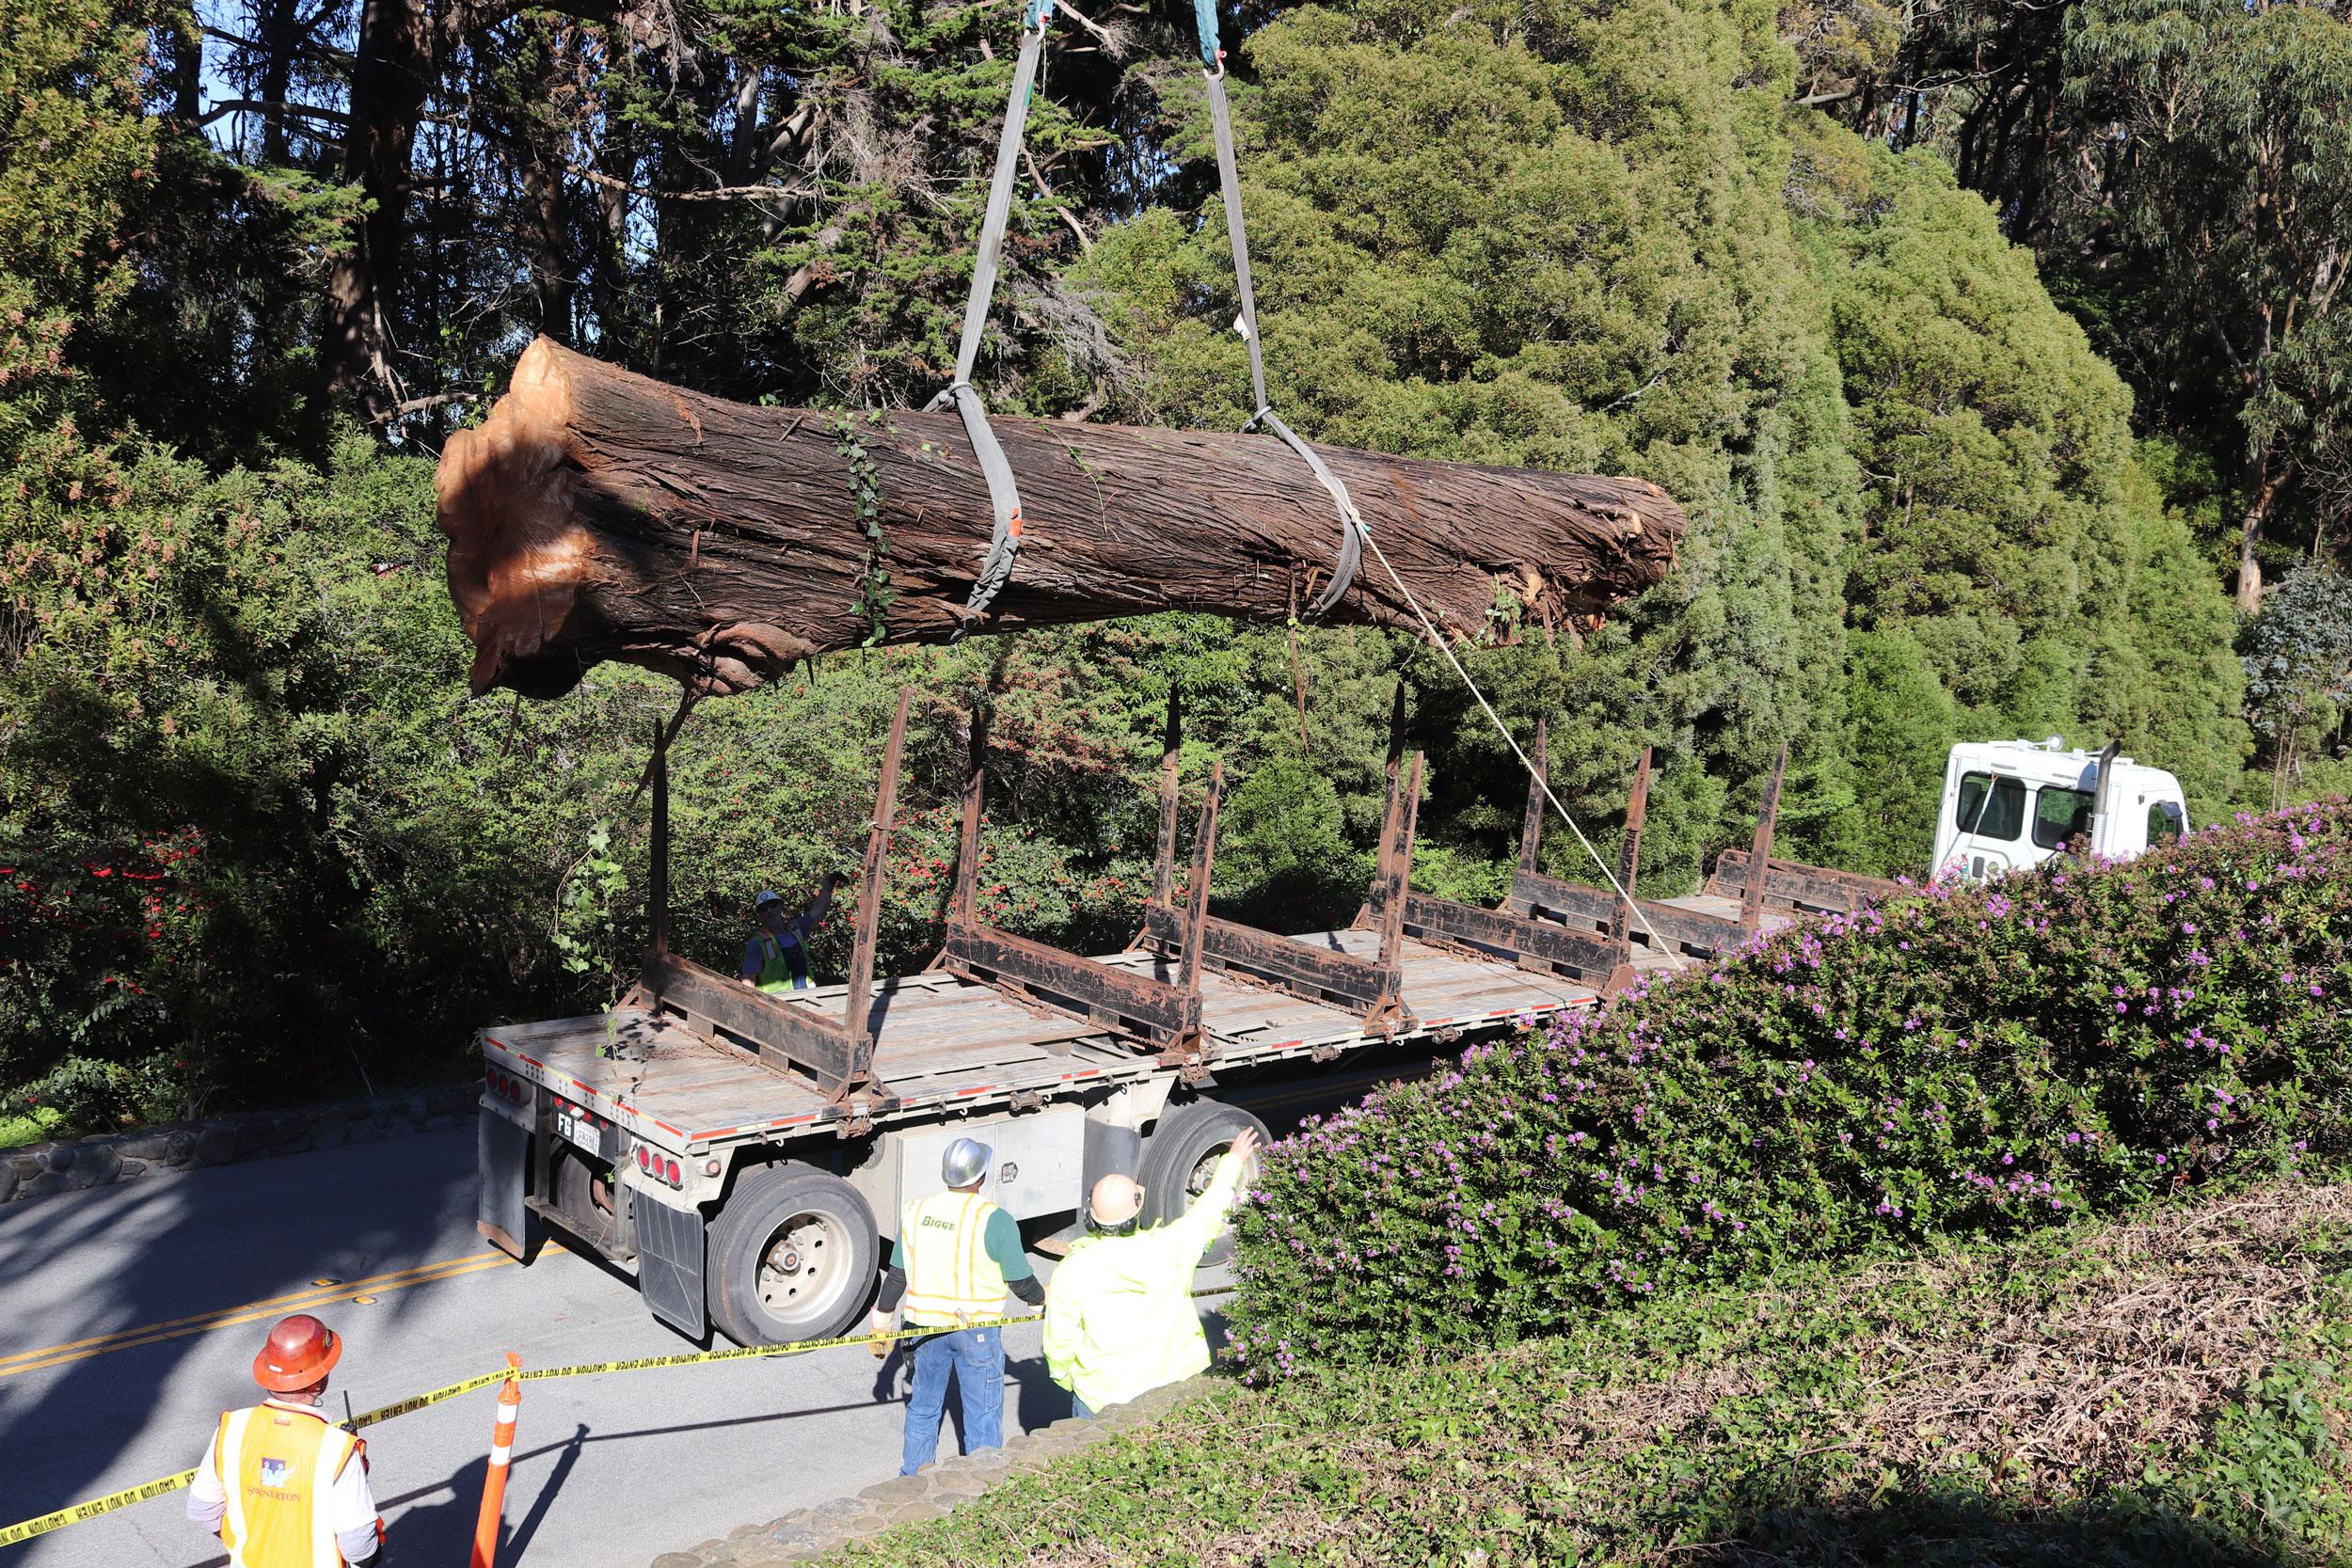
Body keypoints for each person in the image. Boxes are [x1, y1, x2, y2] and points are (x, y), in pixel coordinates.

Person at [1044, 1125, 1261, 1418]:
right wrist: (1232, 1161)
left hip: (1099, 1398)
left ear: (1091, 1218)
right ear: (1135, 1212)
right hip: (1171, 1392)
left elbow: (1059, 1341)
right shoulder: (1171, 1248)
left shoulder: (1072, 1269)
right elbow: (1208, 1212)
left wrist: (1066, 1378)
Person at [866, 1136, 1044, 1474]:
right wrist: (1040, 1301)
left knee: (923, 1407)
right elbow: (1021, 1282)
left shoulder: (917, 1212)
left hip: (925, 1331)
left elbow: (896, 1277)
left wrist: (881, 1324)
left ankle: (912, 1480)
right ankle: (983, 1484)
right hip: (974, 1331)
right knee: (982, 1412)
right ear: (981, 1177)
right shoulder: (995, 1219)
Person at [188, 1314, 384, 1568]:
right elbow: (358, 1546)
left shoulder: (231, 1429)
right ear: (317, 1384)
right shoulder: (338, 1450)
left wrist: (253, 1544)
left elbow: (202, 1511)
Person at [739, 873, 845, 992]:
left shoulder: (796, 929)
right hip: (775, 1004)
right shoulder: (757, 944)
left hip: (806, 996)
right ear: (760, 915)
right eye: (763, 909)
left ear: (780, 906)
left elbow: (818, 912)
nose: (769, 910)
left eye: (772, 905)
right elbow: (748, 981)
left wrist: (827, 886)